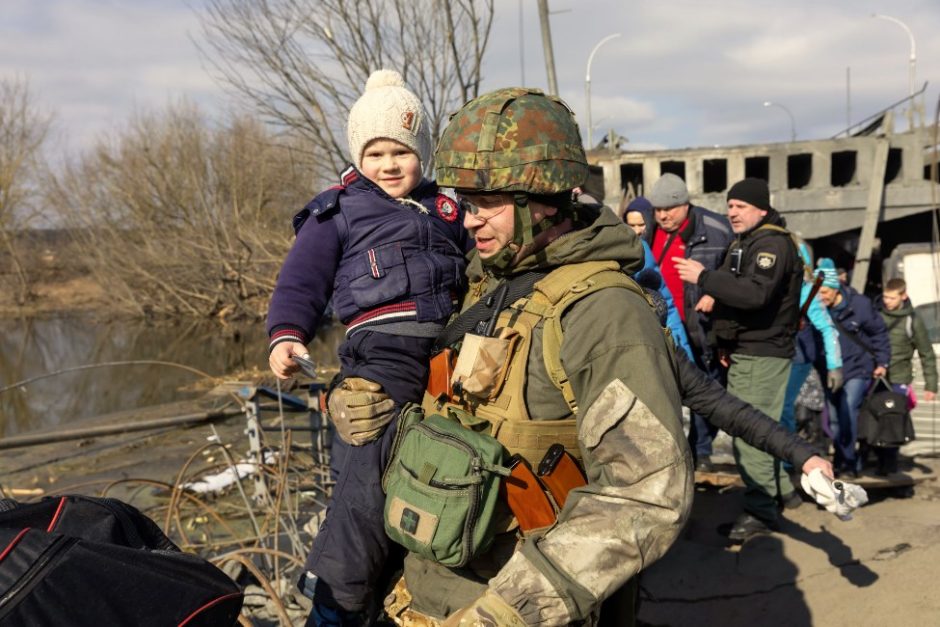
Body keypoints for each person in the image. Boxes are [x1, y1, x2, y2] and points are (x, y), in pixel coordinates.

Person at [373, 86, 694, 626]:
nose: (470, 221)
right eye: (467, 203)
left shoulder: (603, 311)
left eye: (488, 203)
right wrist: (364, 393)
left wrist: (508, 612)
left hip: (517, 607)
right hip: (425, 593)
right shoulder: (487, 285)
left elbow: (648, 494)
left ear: (543, 200)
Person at [266, 69, 468, 625]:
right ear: (358, 156)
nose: (388, 165)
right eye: (375, 153)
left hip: (450, 354)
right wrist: (287, 335)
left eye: (400, 151)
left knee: (440, 471)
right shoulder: (339, 210)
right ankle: (337, 600)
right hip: (382, 353)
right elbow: (300, 280)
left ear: (421, 153)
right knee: (367, 473)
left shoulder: (449, 211)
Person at [673, 178, 803, 542]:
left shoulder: (771, 244)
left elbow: (756, 294)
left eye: (740, 207)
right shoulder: (748, 241)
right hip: (748, 349)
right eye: (729, 206)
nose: (732, 212)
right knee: (765, 426)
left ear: (761, 209)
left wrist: (705, 279)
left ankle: (761, 512)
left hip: (762, 352)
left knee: (750, 433)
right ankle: (780, 492)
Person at [644, 174, 734, 470]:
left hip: (704, 325)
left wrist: (715, 294)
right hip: (668, 325)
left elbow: (735, 273)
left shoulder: (716, 229)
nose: (662, 215)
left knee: (705, 387)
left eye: (668, 209)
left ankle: (702, 451)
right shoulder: (651, 231)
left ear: (685, 204)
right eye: (657, 210)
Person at [815, 258, 890, 477]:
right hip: (829, 370)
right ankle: (842, 460)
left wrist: (882, 362)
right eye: (818, 293)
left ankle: (848, 462)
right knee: (836, 418)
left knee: (848, 410)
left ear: (835, 289)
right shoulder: (817, 308)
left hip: (858, 368)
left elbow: (879, 333)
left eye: (825, 293)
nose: (822, 298)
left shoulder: (860, 305)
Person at [779, 239, 843, 436]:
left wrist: (834, 366)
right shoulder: (769, 286)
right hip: (772, 352)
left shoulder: (807, 291)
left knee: (784, 405)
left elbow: (828, 329)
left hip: (798, 356)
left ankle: (787, 458)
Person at [876, 277, 937, 474]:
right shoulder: (876, 315)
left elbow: (926, 353)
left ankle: (890, 466)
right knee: (875, 419)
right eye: (885, 297)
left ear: (904, 296)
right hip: (877, 378)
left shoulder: (913, 320)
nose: (887, 301)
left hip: (899, 379)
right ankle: (878, 462)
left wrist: (931, 385)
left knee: (893, 422)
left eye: (892, 298)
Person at [623, 196, 693, 360]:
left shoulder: (653, 246)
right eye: (631, 225)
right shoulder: (633, 250)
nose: (637, 230)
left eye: (641, 224)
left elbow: (666, 303)